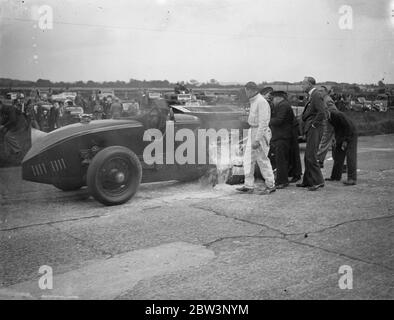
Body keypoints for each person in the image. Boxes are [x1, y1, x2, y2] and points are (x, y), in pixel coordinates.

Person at [236, 82, 276, 195]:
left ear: (252, 90)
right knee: (248, 159)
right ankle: (248, 185)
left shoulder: (261, 102)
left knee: (262, 160)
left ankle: (271, 184)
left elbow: (264, 122)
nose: (246, 93)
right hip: (253, 130)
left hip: (260, 132)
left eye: (246, 91)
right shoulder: (255, 101)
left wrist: (257, 139)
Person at [297, 76, 326, 191]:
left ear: (310, 84)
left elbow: (322, 112)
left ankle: (318, 181)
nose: (302, 85)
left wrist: (314, 124)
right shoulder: (311, 95)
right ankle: (308, 181)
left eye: (303, 83)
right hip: (311, 128)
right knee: (307, 156)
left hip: (315, 128)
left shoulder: (316, 95)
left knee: (311, 156)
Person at [269, 91, 295, 189]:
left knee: (281, 160)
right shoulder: (284, 105)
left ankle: (282, 181)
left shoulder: (283, 106)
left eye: (274, 99)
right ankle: (282, 180)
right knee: (282, 159)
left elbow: (279, 120)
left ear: (278, 98)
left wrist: (266, 120)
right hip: (282, 136)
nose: (273, 101)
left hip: (282, 137)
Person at [325, 110, 358, 185]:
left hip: (351, 133)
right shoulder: (329, 117)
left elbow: (348, 127)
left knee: (350, 156)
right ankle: (335, 176)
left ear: (326, 112)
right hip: (342, 134)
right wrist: (335, 138)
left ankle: (352, 179)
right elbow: (337, 128)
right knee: (338, 155)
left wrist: (346, 141)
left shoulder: (338, 115)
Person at [317, 86, 338, 168]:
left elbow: (334, 112)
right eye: (318, 91)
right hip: (329, 124)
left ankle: (319, 161)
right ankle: (341, 165)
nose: (320, 92)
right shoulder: (323, 99)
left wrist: (329, 120)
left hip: (330, 124)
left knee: (325, 142)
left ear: (326, 92)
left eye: (321, 91)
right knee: (334, 144)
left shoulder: (327, 100)